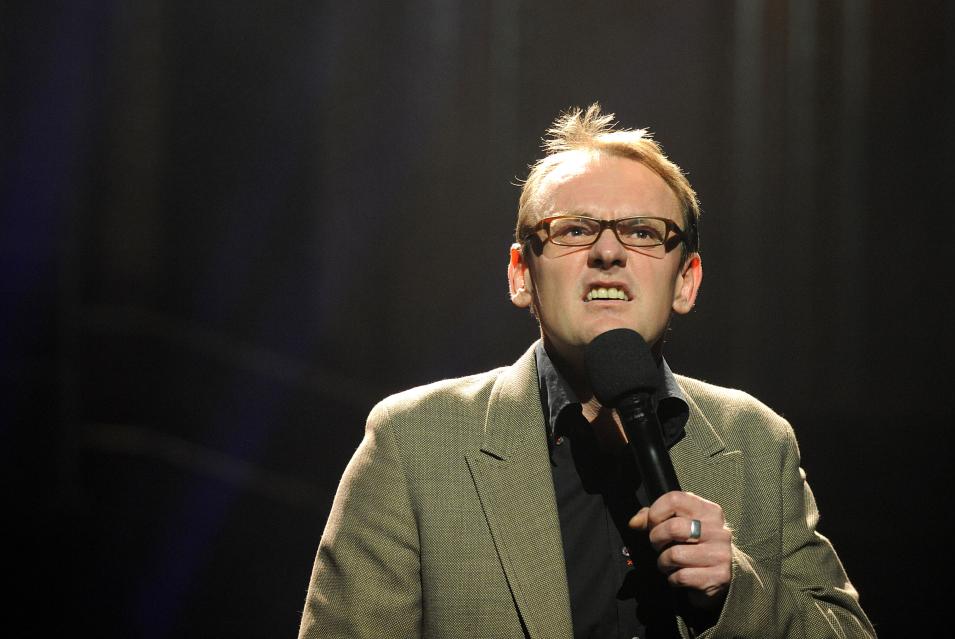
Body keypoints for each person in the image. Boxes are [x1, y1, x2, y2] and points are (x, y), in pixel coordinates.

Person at [297, 104, 875, 638]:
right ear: (521, 274)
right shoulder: (413, 443)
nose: (608, 252)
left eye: (643, 232)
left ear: (686, 281)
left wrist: (734, 591)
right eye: (574, 229)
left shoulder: (754, 439)